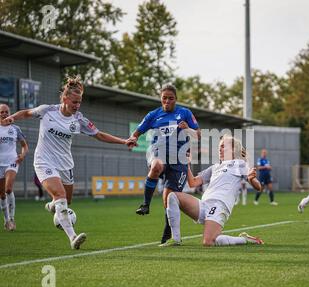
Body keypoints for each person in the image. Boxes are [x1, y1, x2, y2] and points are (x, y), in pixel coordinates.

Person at [1, 76, 134, 248]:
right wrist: (12, 118)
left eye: (79, 102)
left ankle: (52, 206)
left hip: (65, 164)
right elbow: (26, 113)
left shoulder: (79, 120)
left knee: (66, 201)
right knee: (61, 196)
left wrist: (124, 141)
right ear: (65, 98)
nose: (77, 105)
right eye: (74, 101)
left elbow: (99, 135)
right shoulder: (47, 111)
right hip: (44, 161)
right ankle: (72, 238)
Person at [161, 134, 264, 247]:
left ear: (234, 149)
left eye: (223, 146)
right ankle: (175, 239)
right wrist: (187, 164)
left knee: (209, 242)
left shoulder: (240, 164)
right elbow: (193, 183)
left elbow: (258, 187)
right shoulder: (215, 167)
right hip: (203, 205)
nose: (220, 149)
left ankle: (244, 239)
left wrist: (251, 179)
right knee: (172, 196)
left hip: (219, 206)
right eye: (219, 147)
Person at [129, 84, 201, 244]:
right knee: (156, 166)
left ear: (176, 99)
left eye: (171, 98)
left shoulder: (185, 113)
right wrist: (133, 138)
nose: (167, 101)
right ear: (160, 99)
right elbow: (137, 132)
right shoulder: (153, 115)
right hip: (159, 153)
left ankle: (167, 234)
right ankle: (145, 204)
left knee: (169, 199)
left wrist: (188, 128)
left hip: (179, 159)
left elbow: (198, 135)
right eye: (164, 98)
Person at [0, 104, 29, 231]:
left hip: (12, 161)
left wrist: (22, 155)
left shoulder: (15, 128)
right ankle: (6, 220)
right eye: (1, 112)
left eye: (6, 111)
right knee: (1, 195)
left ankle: (12, 218)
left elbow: (24, 146)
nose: (4, 114)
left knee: (8, 188)